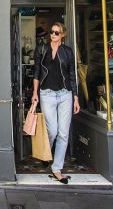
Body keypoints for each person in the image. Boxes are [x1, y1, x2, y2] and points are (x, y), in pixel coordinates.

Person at [32, 22, 80, 184]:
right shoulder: (42, 49)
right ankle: (47, 153)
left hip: (65, 94)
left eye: (56, 33)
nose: (53, 35)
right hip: (47, 94)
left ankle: (57, 168)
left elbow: (72, 75)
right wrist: (34, 93)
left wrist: (75, 98)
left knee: (63, 133)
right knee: (51, 130)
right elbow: (37, 71)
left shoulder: (67, 52)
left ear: (63, 35)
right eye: (51, 32)